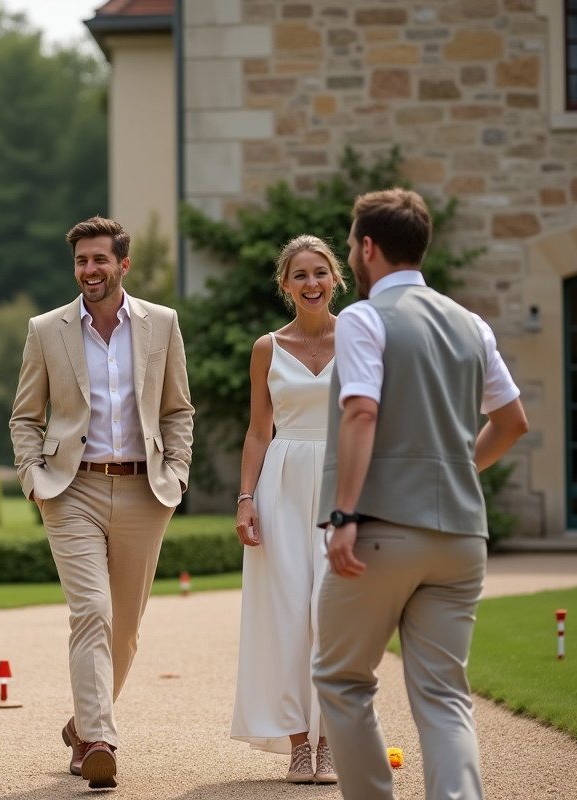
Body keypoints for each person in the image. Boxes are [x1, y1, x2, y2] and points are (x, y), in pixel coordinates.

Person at [313, 188, 528, 800]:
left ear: (368, 248)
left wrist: (345, 514)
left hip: (380, 530)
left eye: (353, 244)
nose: (353, 253)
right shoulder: (472, 323)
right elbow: (513, 422)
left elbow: (360, 413)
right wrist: (458, 473)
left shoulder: (362, 318)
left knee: (342, 678)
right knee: (444, 696)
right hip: (462, 536)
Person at [10, 216, 194, 789]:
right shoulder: (47, 329)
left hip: (146, 488)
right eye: (81, 261)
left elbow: (178, 409)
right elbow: (24, 416)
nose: (89, 270)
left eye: (99, 260)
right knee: (91, 611)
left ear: (122, 264)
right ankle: (101, 740)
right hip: (72, 490)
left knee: (126, 630)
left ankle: (83, 725)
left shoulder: (162, 325)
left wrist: (178, 475)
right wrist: (34, 481)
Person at [230, 235, 346, 784]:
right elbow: (258, 432)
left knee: (334, 614)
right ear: (285, 285)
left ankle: (331, 741)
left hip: (343, 484)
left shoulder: (362, 336)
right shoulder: (266, 348)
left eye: (319, 272)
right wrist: (246, 498)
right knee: (286, 617)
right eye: (299, 275)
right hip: (281, 483)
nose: (311, 283)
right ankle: (302, 744)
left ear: (335, 278)